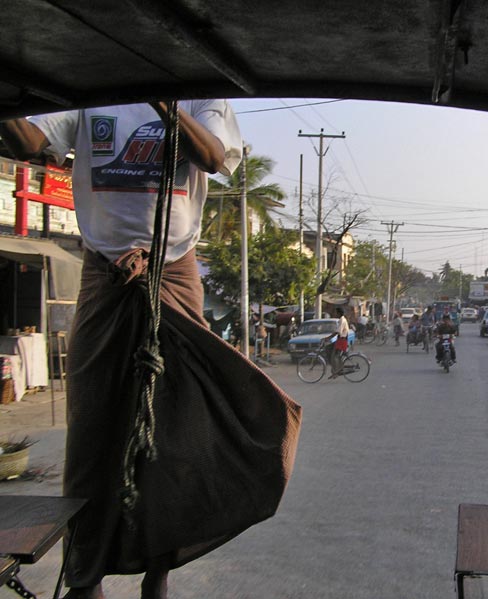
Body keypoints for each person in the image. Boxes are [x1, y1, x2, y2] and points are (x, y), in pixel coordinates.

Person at [0, 101, 297, 599]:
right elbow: (28, 142)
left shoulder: (204, 97)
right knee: (92, 430)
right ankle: (84, 575)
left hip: (174, 273)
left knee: (173, 434)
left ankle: (158, 573)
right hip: (104, 274)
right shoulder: (96, 87)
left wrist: (167, 106)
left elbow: (211, 156)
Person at [328, 307, 350, 377]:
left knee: (335, 357)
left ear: (338, 313)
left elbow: (338, 332)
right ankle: (335, 371)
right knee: (333, 354)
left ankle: (337, 371)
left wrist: (328, 338)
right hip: (340, 340)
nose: (334, 314)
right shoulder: (341, 319)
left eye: (335, 312)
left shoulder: (342, 320)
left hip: (342, 340)